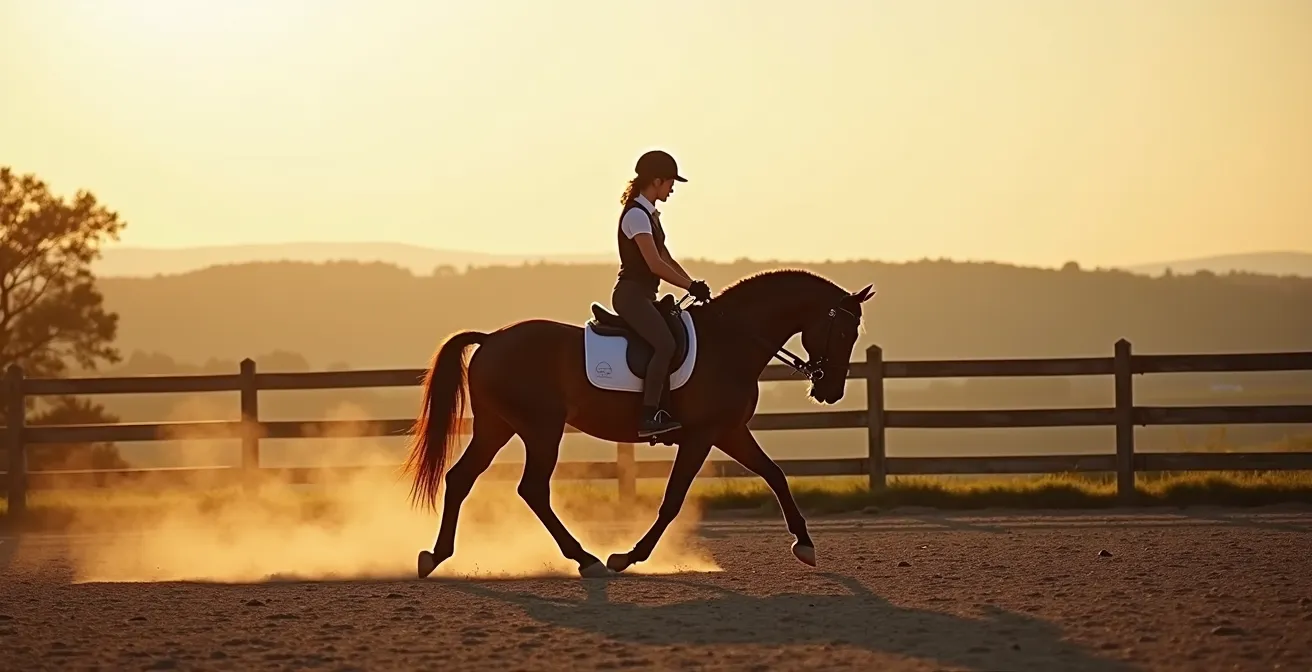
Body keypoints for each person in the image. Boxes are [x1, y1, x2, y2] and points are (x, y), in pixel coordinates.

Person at [612, 149, 712, 437]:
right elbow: (654, 264)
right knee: (665, 345)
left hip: (644, 295)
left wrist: (693, 283)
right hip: (631, 296)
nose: (671, 189)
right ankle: (649, 415)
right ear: (656, 181)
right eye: (670, 183)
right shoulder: (636, 215)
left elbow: (666, 258)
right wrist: (688, 287)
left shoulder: (650, 215)